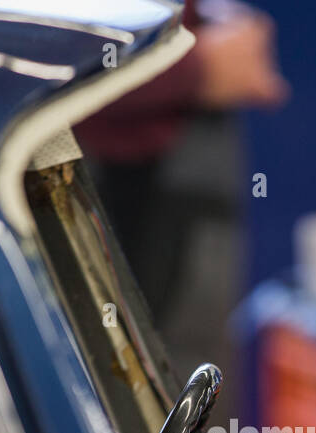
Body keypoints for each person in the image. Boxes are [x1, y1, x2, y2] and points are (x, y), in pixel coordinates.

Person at [73, 0, 288, 377]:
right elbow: (38, 39)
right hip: (96, 178)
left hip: (176, 163)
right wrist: (195, 68)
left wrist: (212, 20)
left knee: (192, 394)